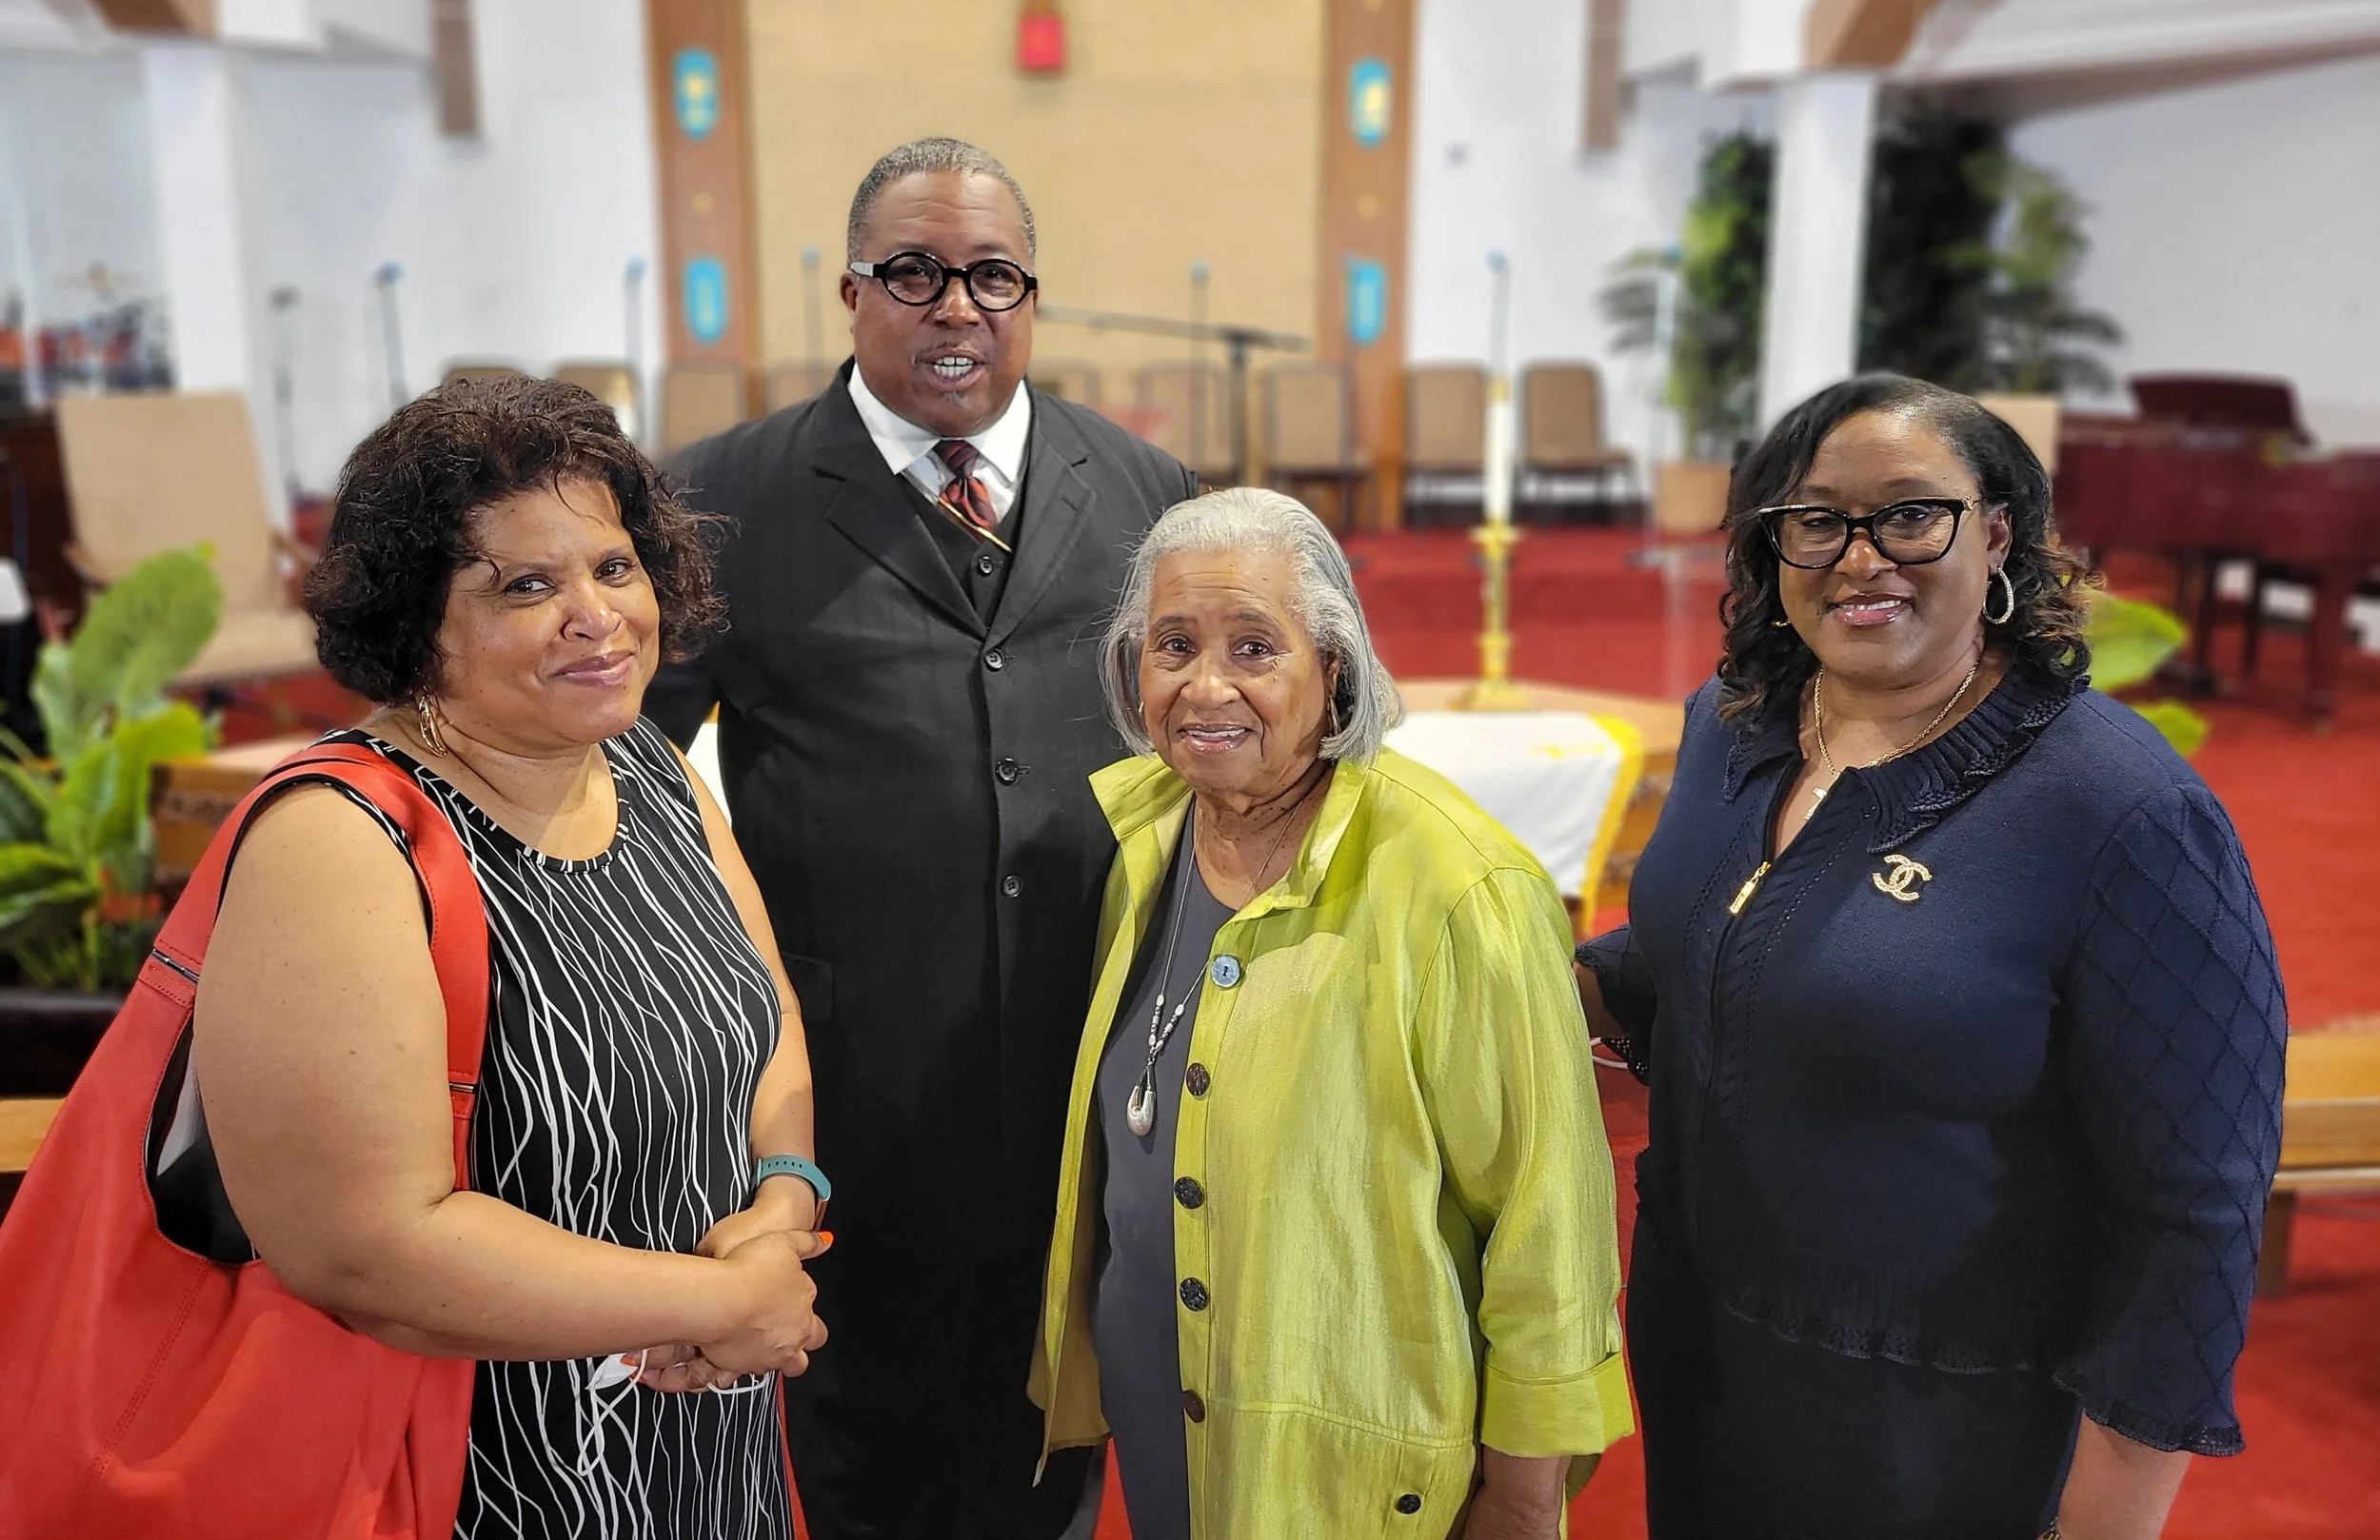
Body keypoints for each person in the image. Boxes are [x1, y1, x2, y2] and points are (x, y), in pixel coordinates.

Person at [1577, 374, 2287, 1540]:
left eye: (1910, 515)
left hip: (1937, 1412)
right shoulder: (1738, 718)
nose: (1862, 557)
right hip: (1700, 1340)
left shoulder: (2117, 811)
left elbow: (2194, 1204)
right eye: (1817, 521)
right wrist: (1533, 991)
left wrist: (2108, 1520)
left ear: (1996, 530)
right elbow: (1721, 943)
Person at [645, 137, 1198, 1537]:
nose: (956, 306)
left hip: (1100, 1063)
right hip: (851, 1084)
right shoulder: (720, 496)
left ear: (1031, 297)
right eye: (914, 272)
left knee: (1070, 1421)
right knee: (876, 1442)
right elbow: (627, 773)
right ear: (851, 292)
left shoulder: (1146, 488)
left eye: (992, 275)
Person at [186, 378, 823, 1535]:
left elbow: (764, 1022)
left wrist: (785, 1200)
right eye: (527, 585)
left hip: (703, 1449)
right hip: (470, 1473)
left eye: (613, 568)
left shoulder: (649, 770)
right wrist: (725, 1296)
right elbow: (370, 1250)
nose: (597, 616)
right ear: (414, 620)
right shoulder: (341, 837)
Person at [1032, 487, 1633, 1540]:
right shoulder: (1141, 839)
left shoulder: (1455, 885)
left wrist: (1525, 1498)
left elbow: (1550, 1228)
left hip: (1353, 1461)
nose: (1205, 684)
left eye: (1255, 648)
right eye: (1173, 644)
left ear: (1336, 668)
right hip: (1163, 1418)